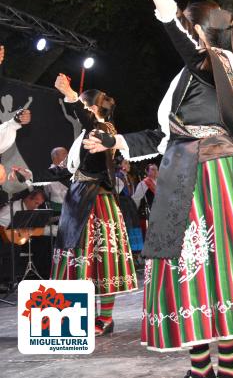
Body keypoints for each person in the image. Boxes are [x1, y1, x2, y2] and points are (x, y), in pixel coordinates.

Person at [83, 0, 233, 376]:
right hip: (184, 171)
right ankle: (201, 368)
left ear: (198, 31)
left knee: (217, 271)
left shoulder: (217, 63)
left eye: (189, 27)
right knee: (187, 272)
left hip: (208, 174)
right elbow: (163, 135)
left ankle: (224, 369)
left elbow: (169, 23)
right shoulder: (190, 76)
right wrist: (115, 140)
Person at [50, 73, 137, 336]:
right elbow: (73, 168)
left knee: (100, 259)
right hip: (78, 198)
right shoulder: (85, 136)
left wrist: (70, 94)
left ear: (94, 109)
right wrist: (56, 169)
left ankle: (105, 319)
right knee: (78, 259)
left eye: (85, 108)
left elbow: (85, 119)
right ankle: (79, 317)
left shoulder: (105, 130)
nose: (82, 113)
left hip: (96, 201)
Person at [115, 158, 144, 258]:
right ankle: (128, 253)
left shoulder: (129, 177)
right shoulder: (117, 177)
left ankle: (136, 252)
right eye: (126, 163)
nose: (129, 165)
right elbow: (117, 192)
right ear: (120, 165)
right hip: (123, 203)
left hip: (129, 202)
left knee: (135, 225)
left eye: (128, 163)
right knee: (128, 225)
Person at [132, 163, 158, 239]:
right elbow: (137, 199)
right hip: (149, 212)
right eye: (153, 169)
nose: (156, 171)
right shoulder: (144, 184)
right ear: (147, 172)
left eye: (157, 169)